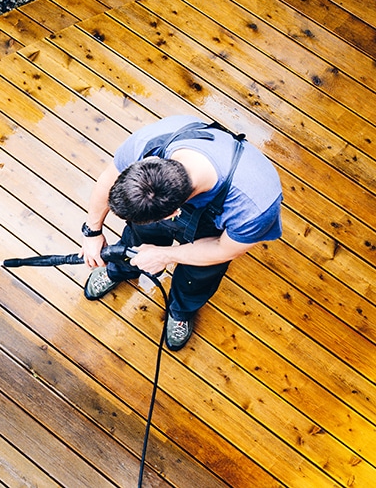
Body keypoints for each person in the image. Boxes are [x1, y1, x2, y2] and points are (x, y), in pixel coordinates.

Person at [81, 115, 283, 351]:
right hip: (168, 210)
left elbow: (224, 249)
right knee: (136, 239)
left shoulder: (254, 205)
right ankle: (120, 269)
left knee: (198, 275)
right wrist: (92, 232)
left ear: (173, 213)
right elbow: (109, 178)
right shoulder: (151, 143)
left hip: (214, 236)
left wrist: (166, 256)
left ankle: (181, 310)